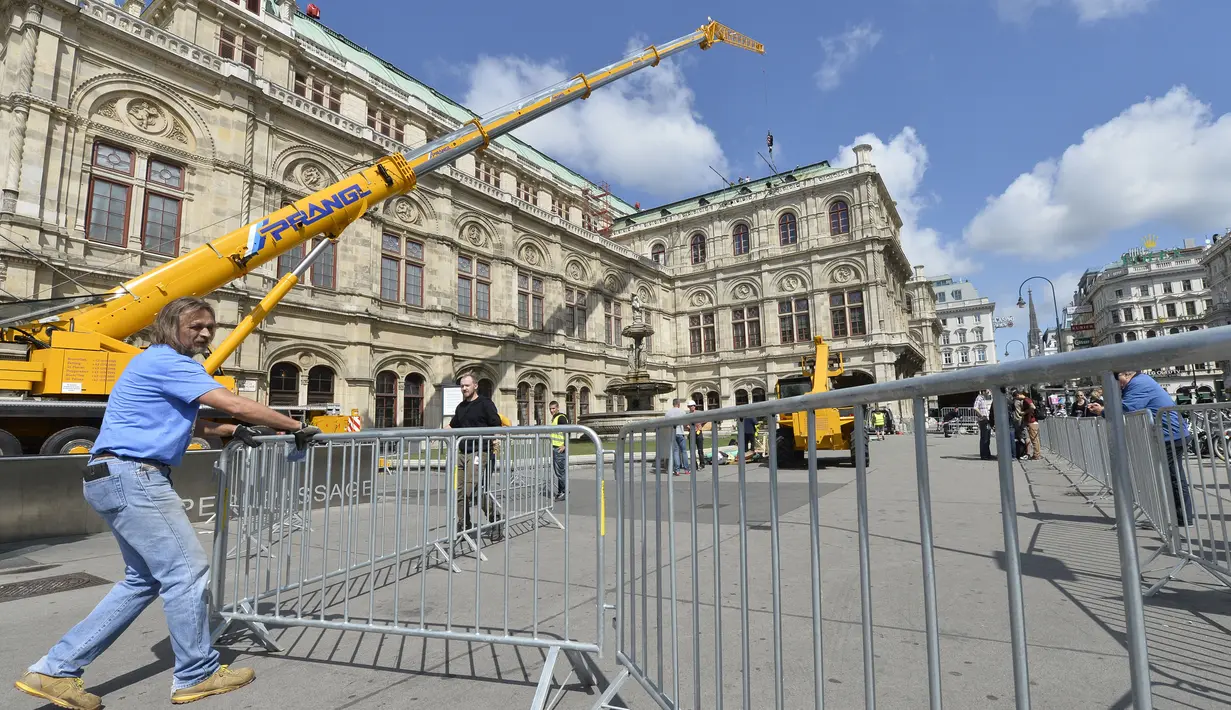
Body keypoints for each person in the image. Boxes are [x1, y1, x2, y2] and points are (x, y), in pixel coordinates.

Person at [16, 297, 317, 710]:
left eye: (210, 326)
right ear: (170, 325)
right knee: (188, 573)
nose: (206, 333)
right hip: (135, 475)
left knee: (142, 581)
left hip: (114, 475)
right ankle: (197, 674)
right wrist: (296, 425)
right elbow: (230, 400)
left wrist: (229, 430)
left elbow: (185, 418)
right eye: (196, 326)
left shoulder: (152, 362)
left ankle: (54, 670)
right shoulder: (171, 362)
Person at [1087, 371, 1193, 525]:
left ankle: (1182, 518)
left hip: (1170, 436)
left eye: (1118, 380)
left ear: (1125, 374)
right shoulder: (1140, 381)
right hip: (1170, 434)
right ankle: (1180, 517)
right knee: (1173, 477)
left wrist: (1102, 411)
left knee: (1174, 478)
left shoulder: (1138, 384)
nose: (1118, 384)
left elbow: (1126, 408)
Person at [451, 372, 504, 542]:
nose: (464, 388)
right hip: (462, 452)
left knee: (472, 490)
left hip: (479, 451)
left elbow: (495, 423)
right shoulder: (460, 407)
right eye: (461, 386)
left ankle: (495, 520)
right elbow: (452, 426)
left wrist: (495, 440)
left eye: (466, 385)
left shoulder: (485, 404)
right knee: (459, 492)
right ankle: (464, 524)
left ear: (475, 386)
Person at [664, 398, 690, 476]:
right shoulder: (682, 411)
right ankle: (686, 469)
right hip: (680, 432)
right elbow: (686, 422)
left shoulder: (668, 413)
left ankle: (677, 470)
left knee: (675, 451)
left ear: (673, 404)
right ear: (679, 404)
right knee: (683, 451)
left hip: (672, 433)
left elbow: (666, 423)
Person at [548, 400, 568, 500]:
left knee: (560, 472)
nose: (551, 410)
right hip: (556, 447)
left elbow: (567, 431)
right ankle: (562, 490)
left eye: (553, 408)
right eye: (550, 409)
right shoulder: (555, 418)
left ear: (558, 408)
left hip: (560, 448)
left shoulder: (561, 418)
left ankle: (563, 492)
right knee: (559, 471)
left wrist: (565, 445)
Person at [973, 389, 993, 460]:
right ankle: (984, 455)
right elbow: (975, 407)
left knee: (987, 438)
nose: (989, 392)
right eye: (988, 390)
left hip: (987, 420)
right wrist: (981, 415)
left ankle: (987, 453)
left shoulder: (984, 398)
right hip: (983, 420)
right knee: (984, 438)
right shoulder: (979, 398)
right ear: (984, 391)